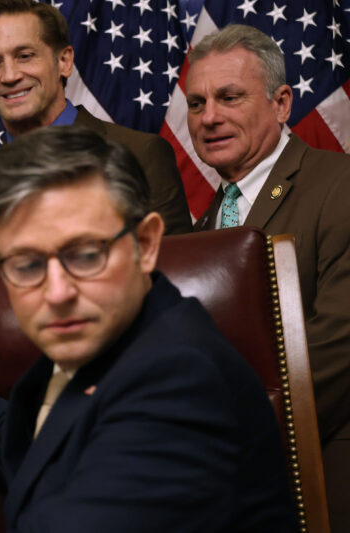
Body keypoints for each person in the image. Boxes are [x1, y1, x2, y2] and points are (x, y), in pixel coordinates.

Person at [0, 125, 295, 532]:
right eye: (26, 264)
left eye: (85, 255)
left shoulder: (179, 380)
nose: (57, 291)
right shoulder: (115, 337)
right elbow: (19, 440)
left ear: (145, 244)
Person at [185, 23, 350, 529]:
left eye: (230, 97)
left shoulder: (338, 184)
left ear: (281, 103)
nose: (209, 117)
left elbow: (339, 343)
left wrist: (221, 433)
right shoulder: (202, 227)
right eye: (196, 103)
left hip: (326, 473)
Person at [0, 0, 191, 235]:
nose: (10, 75)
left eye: (24, 56)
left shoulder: (142, 155)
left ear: (64, 61)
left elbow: (175, 269)